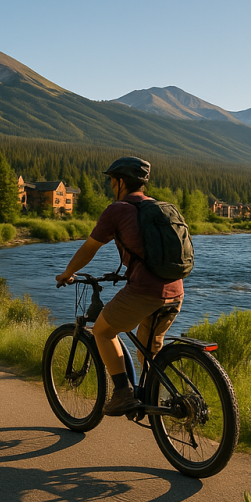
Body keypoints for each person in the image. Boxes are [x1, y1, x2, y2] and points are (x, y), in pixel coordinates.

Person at [55, 156, 183, 416]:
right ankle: (156, 401)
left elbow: (89, 248)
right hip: (175, 290)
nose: (111, 186)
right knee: (148, 352)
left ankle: (123, 393)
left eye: (112, 181)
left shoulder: (117, 210)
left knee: (102, 331)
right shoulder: (160, 209)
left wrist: (67, 274)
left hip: (144, 292)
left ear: (121, 182)